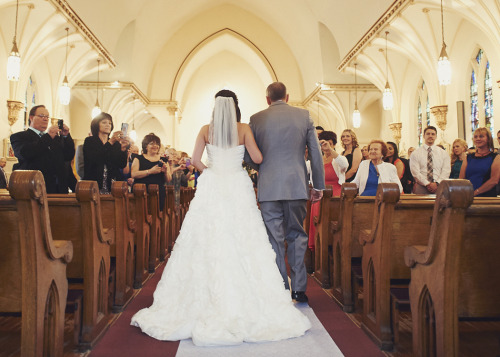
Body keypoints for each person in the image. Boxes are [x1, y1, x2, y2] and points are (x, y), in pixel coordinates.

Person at [131, 95, 311, 346]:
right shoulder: (244, 129)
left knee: (208, 234)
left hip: (214, 184)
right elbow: (258, 159)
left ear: (215, 109)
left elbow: (195, 161)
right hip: (237, 183)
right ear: (236, 108)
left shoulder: (206, 130)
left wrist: (211, 172)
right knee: (243, 235)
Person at [246, 82, 325, 303]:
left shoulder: (256, 119)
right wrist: (318, 184)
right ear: (287, 97)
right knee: (298, 235)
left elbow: (247, 155)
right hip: (296, 186)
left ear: (267, 99)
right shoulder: (304, 116)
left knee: (274, 238)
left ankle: (280, 288)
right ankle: (299, 289)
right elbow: (315, 153)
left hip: (269, 188)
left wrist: (264, 169)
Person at [10, 105, 75, 193]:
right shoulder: (19, 137)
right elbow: (24, 153)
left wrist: (66, 136)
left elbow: (68, 156)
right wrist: (47, 137)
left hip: (58, 189)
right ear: (31, 117)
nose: (45, 119)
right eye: (41, 116)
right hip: (35, 188)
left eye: (47, 117)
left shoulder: (54, 138)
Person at [308, 131, 347, 249]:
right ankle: (318, 251)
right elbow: (302, 169)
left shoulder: (338, 159)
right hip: (319, 195)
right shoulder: (315, 160)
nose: (326, 146)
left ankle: (334, 248)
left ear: (334, 145)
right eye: (324, 144)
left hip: (335, 195)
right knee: (318, 223)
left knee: (333, 223)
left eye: (330, 144)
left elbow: (344, 165)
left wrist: (330, 150)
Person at [83, 113, 129, 194]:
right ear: (97, 125)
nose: (108, 125)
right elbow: (94, 159)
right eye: (104, 122)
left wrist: (123, 149)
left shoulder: (116, 143)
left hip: (112, 184)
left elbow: (121, 164)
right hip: (94, 183)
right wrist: (110, 142)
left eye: (110, 123)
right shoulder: (90, 141)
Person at [132, 133, 177, 211]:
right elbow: (133, 174)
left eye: (157, 144)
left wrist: (166, 171)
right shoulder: (138, 158)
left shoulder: (163, 160)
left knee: (157, 215)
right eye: (152, 144)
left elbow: (168, 179)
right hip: (141, 192)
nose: (155, 146)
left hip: (158, 192)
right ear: (146, 146)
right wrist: (150, 171)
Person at [409, 126, 451, 194]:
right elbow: (415, 172)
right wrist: (427, 183)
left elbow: (446, 171)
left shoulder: (443, 153)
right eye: (428, 134)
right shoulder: (415, 153)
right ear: (424, 136)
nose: (430, 136)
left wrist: (437, 183)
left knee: (441, 204)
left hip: (439, 186)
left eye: (433, 134)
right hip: (421, 186)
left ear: (436, 136)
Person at [459, 127, 500, 197]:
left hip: (487, 197)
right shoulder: (468, 157)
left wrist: (476, 192)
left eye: (481, 136)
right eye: (475, 137)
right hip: (468, 196)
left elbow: (494, 180)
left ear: (488, 139)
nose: (478, 139)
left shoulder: (496, 157)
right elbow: (461, 179)